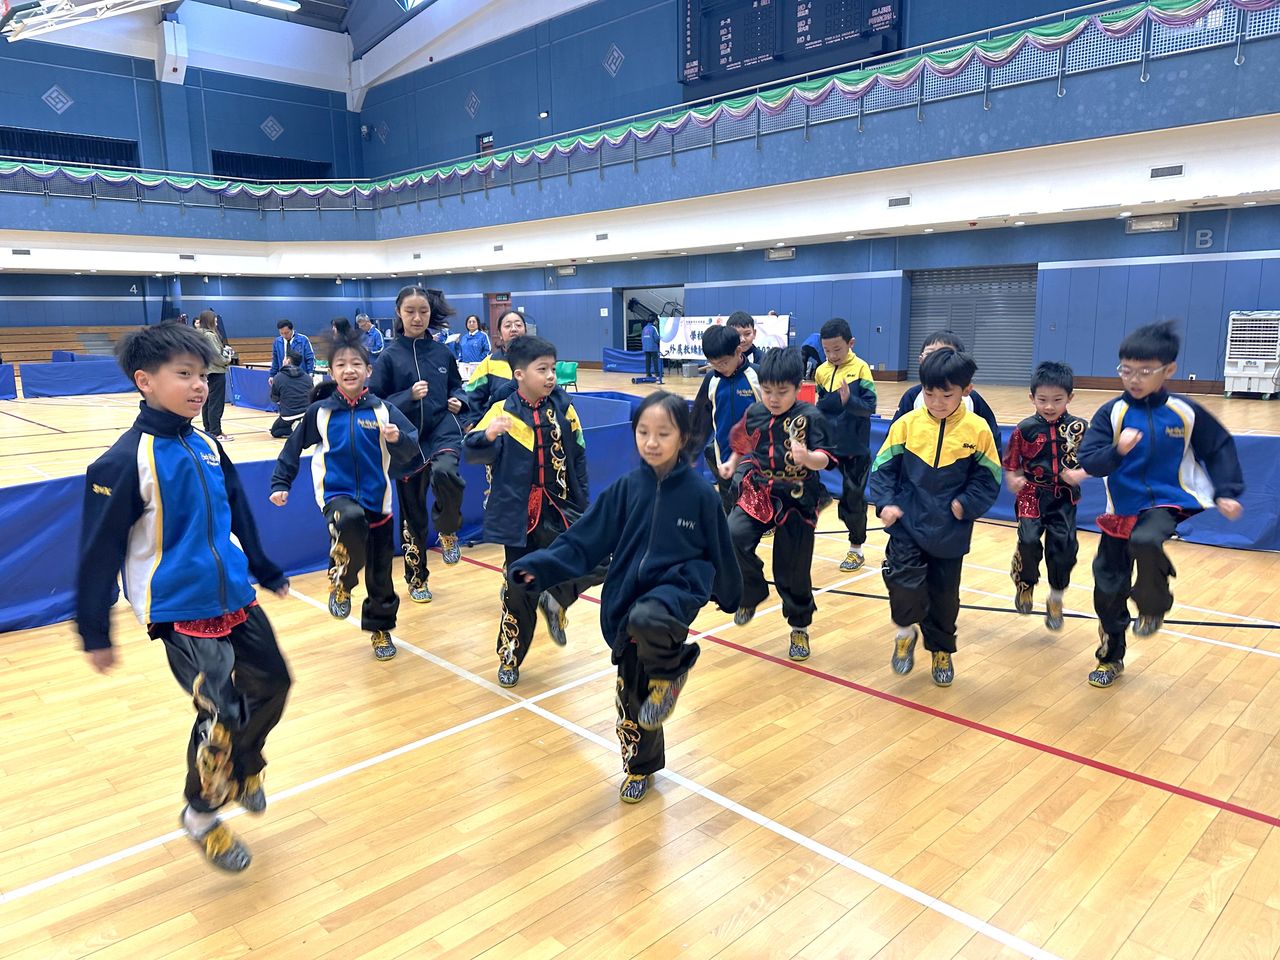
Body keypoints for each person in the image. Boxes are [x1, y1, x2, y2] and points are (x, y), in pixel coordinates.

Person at [76, 324, 291, 873]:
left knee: (273, 683)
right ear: (144, 381)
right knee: (220, 713)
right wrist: (94, 630)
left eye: (203, 375)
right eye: (184, 374)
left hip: (234, 594)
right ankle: (200, 815)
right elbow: (97, 551)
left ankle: (245, 765)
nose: (199, 385)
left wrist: (263, 567)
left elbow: (238, 514)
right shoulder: (123, 462)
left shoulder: (208, 446)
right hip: (178, 608)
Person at [509, 391, 741, 804]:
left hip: (677, 592)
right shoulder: (625, 490)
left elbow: (722, 549)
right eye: (643, 432)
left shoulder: (701, 495)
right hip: (626, 598)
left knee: (647, 619)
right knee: (633, 691)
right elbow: (583, 541)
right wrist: (540, 568)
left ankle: (672, 670)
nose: (652, 442)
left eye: (663, 433)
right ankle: (639, 766)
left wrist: (733, 593)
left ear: (683, 436)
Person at [1078, 321, 1244, 689]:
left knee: (1147, 539)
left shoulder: (1185, 411)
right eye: (1126, 370)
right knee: (1107, 589)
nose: (1133, 379)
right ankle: (1111, 657)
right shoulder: (1111, 413)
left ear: (1168, 370)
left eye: (1144, 371)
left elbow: (1218, 448)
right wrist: (1117, 450)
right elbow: (1090, 460)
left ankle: (1153, 606)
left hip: (1169, 501)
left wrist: (1227, 491)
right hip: (1120, 509)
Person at [269, 331, 424, 661]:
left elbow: (412, 449)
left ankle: (380, 631)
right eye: (341, 364)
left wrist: (397, 439)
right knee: (349, 519)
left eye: (356, 363)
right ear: (331, 372)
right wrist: (281, 483)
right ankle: (341, 581)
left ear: (368, 370)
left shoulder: (383, 411)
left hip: (378, 502)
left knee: (380, 576)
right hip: (336, 497)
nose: (349, 369)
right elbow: (292, 448)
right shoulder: (320, 412)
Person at [464, 335, 602, 687]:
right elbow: (471, 449)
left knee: (602, 557)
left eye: (553, 369)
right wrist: (489, 435)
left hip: (562, 509)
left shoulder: (565, 408)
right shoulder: (502, 410)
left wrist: (584, 504)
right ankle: (510, 657)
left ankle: (556, 597)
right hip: (520, 518)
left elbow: (579, 456)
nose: (551, 376)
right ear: (520, 374)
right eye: (543, 370)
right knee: (519, 589)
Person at [870, 348, 1001, 687]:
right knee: (903, 586)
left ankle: (941, 650)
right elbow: (882, 468)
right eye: (930, 394)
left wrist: (966, 504)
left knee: (945, 598)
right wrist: (886, 502)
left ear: (966, 390)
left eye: (947, 395)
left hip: (950, 530)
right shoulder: (906, 425)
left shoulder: (978, 430)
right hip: (908, 523)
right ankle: (905, 633)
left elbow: (989, 478)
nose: (937, 402)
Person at [722, 347, 837, 662]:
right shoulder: (756, 412)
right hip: (759, 490)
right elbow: (742, 443)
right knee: (732, 535)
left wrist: (808, 457)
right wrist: (732, 463)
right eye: (767, 390)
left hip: (798, 497)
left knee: (793, 568)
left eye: (782, 392)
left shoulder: (811, 417)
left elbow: (826, 458)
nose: (773, 398)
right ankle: (751, 592)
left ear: (798, 387)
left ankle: (799, 626)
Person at [368, 285, 468, 595]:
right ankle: (417, 579)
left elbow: (457, 386)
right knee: (413, 515)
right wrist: (408, 397)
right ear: (398, 313)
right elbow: (375, 401)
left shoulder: (442, 352)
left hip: (441, 431)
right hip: (406, 441)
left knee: (447, 473)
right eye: (410, 311)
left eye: (423, 311)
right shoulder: (388, 356)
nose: (417, 318)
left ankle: (448, 530)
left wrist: (459, 400)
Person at [1003, 361, 1089, 631]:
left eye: (1057, 400)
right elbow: (1011, 463)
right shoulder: (1024, 429)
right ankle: (1024, 582)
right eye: (1042, 400)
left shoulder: (1080, 428)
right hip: (1032, 494)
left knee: (1064, 549)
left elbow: (1096, 460)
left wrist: (1080, 474)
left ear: (1070, 397)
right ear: (1032, 398)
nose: (1049, 406)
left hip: (1064, 497)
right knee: (1028, 541)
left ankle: (1056, 598)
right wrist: (1013, 479)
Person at [814, 318, 878, 572]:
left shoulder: (861, 369)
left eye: (837, 349)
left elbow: (869, 407)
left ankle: (856, 549)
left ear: (851, 343)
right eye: (827, 350)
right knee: (801, 473)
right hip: (828, 444)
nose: (832, 355)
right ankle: (821, 496)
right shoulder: (821, 371)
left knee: (853, 499)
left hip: (855, 447)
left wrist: (849, 400)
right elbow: (821, 404)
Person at [892, 331, 1001, 455]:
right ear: (921, 359)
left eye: (947, 395)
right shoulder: (912, 396)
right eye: (930, 354)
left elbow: (992, 444)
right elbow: (893, 441)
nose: (937, 359)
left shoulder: (973, 401)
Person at [691, 323, 760, 515]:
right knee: (729, 512)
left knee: (753, 517)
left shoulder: (758, 375)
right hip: (724, 461)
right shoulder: (711, 380)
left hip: (756, 463)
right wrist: (690, 453)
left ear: (738, 351)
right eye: (713, 364)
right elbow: (699, 420)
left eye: (723, 363)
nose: (719, 368)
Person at [460, 308, 527, 425]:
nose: (514, 329)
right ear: (500, 334)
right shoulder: (489, 363)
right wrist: (474, 423)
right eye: (507, 326)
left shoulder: (537, 360)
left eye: (518, 325)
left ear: (525, 331)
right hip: (500, 427)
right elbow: (472, 396)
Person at [194, 309, 233, 442]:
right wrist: (227, 357)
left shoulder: (198, 334)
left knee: (207, 402)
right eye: (215, 321)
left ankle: (209, 430)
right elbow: (216, 356)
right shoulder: (210, 335)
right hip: (215, 372)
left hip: (204, 372)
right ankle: (215, 432)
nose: (216, 323)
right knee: (215, 403)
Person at [269, 348, 312, 438]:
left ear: (288, 360)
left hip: (289, 414)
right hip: (306, 413)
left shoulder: (278, 377)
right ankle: (301, 426)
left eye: (284, 358)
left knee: (275, 431)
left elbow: (275, 398)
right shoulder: (307, 377)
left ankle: (294, 428)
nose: (283, 360)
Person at [641, 317, 662, 382]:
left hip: (645, 347)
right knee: (655, 361)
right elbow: (656, 338)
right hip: (653, 347)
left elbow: (642, 338)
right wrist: (660, 338)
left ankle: (648, 374)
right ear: (653, 321)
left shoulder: (644, 328)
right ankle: (657, 375)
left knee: (647, 361)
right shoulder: (654, 328)